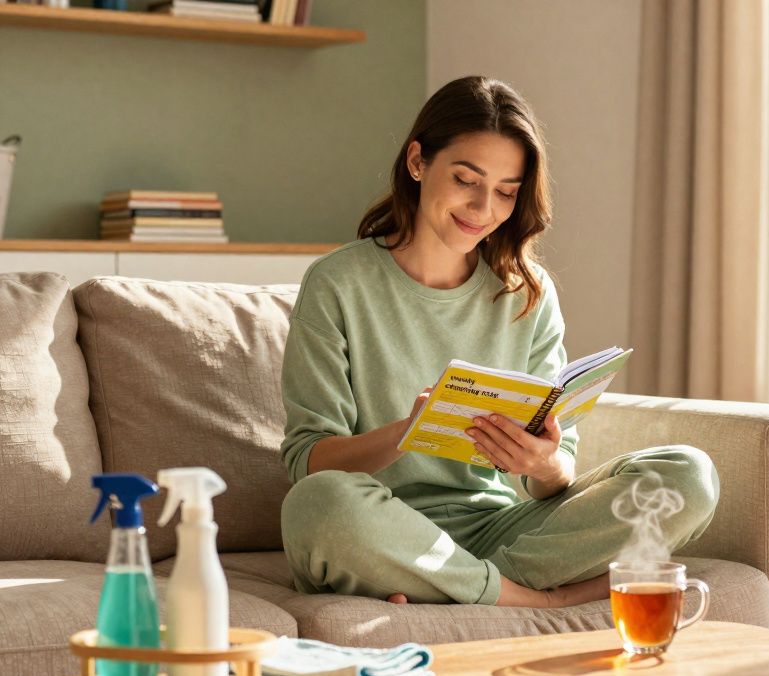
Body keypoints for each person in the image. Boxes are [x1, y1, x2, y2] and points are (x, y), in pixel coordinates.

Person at [279, 76, 719, 608]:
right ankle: (536, 599)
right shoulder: (338, 283)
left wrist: (542, 464)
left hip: (499, 529)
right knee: (319, 504)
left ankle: (461, 588)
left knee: (688, 474)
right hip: (383, 528)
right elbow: (309, 461)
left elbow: (556, 482)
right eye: (466, 180)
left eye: (507, 192)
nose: (483, 208)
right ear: (418, 162)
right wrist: (409, 432)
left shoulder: (526, 292)